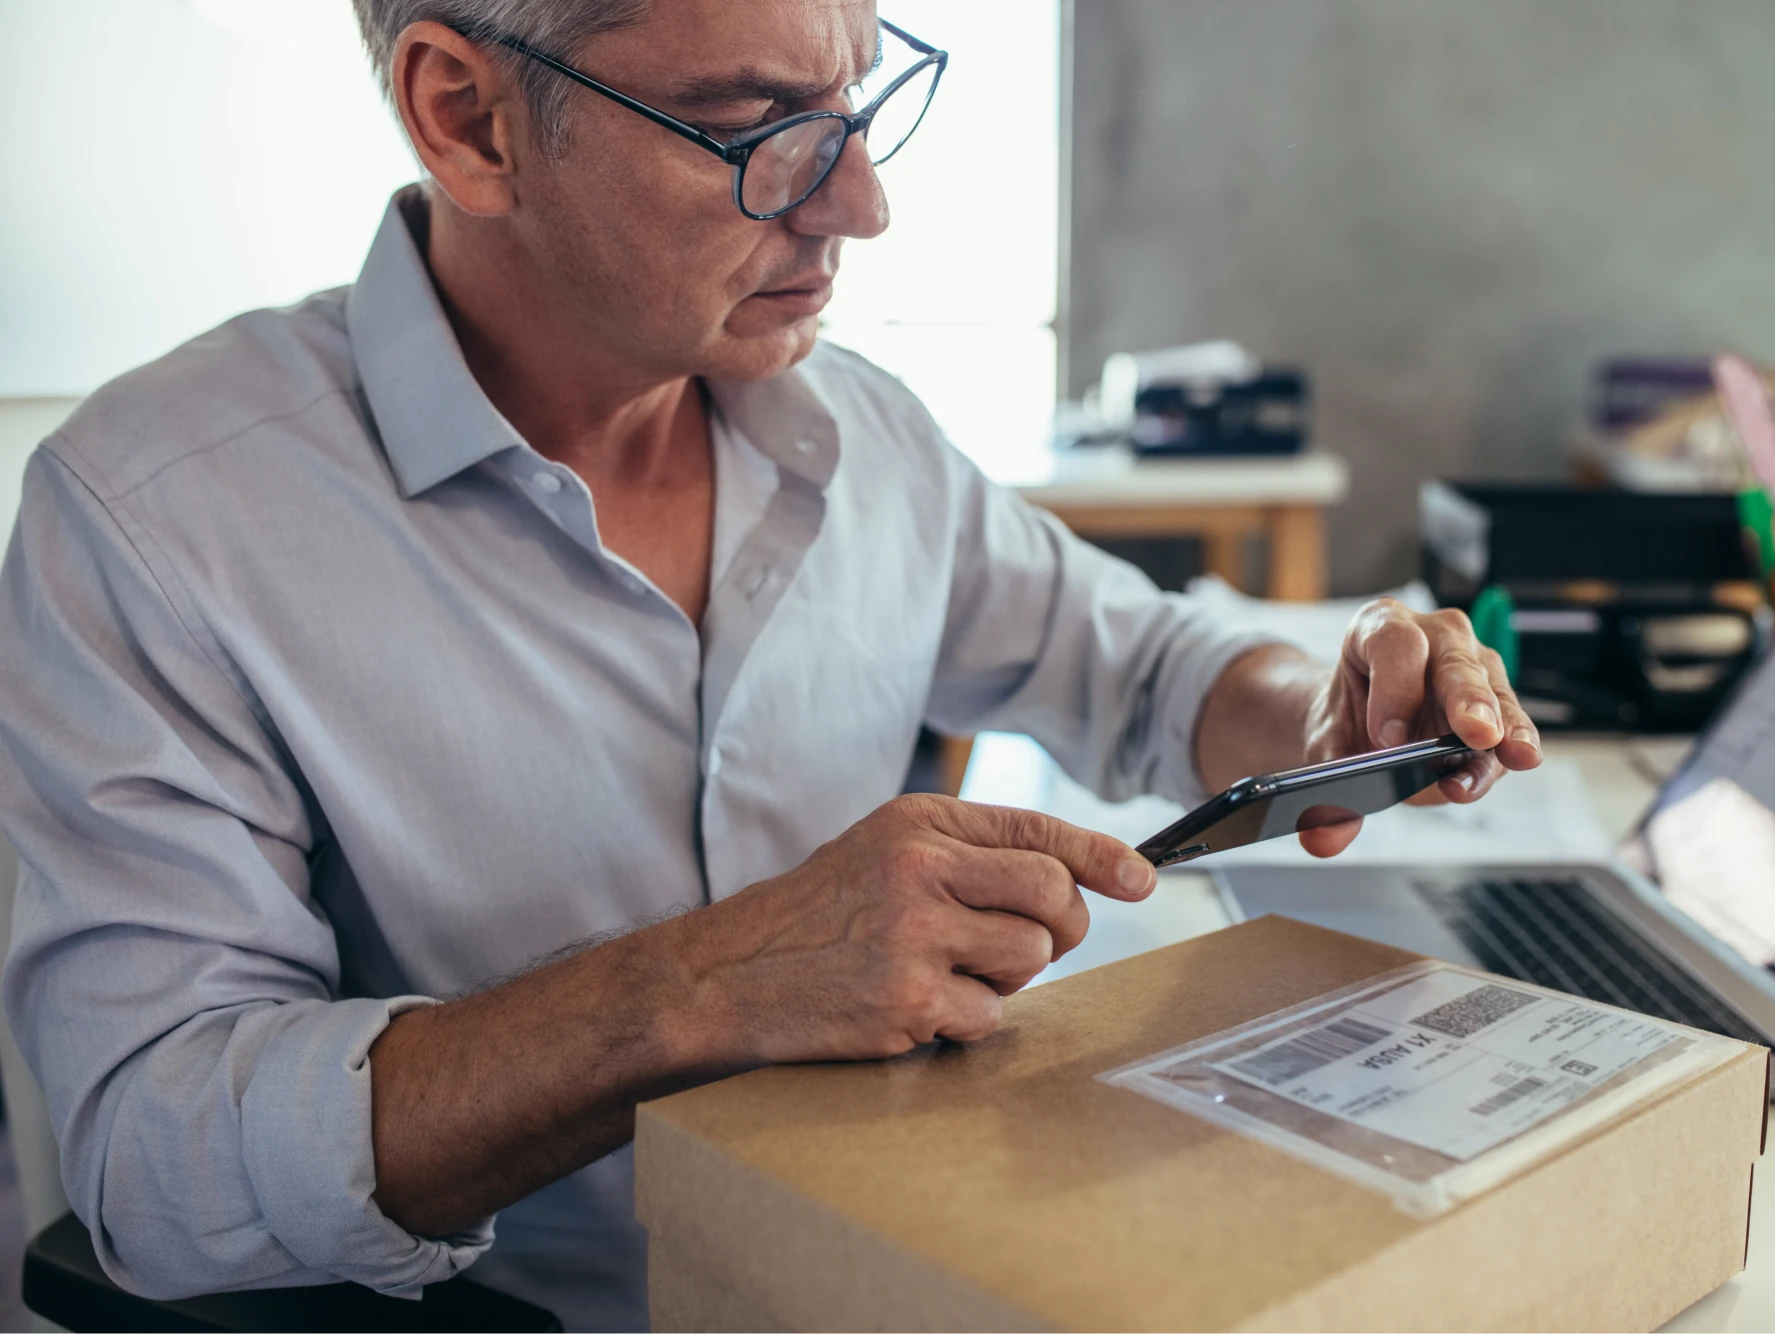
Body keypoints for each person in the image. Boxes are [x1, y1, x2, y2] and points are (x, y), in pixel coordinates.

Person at [0, 2, 1540, 1331]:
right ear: (464, 117)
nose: (859, 205)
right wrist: (704, 985)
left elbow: (1141, 665)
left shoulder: (856, 430)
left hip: (912, 1260)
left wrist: (1327, 706)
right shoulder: (154, 518)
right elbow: (149, 1158)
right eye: (757, 126)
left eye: (860, 100)